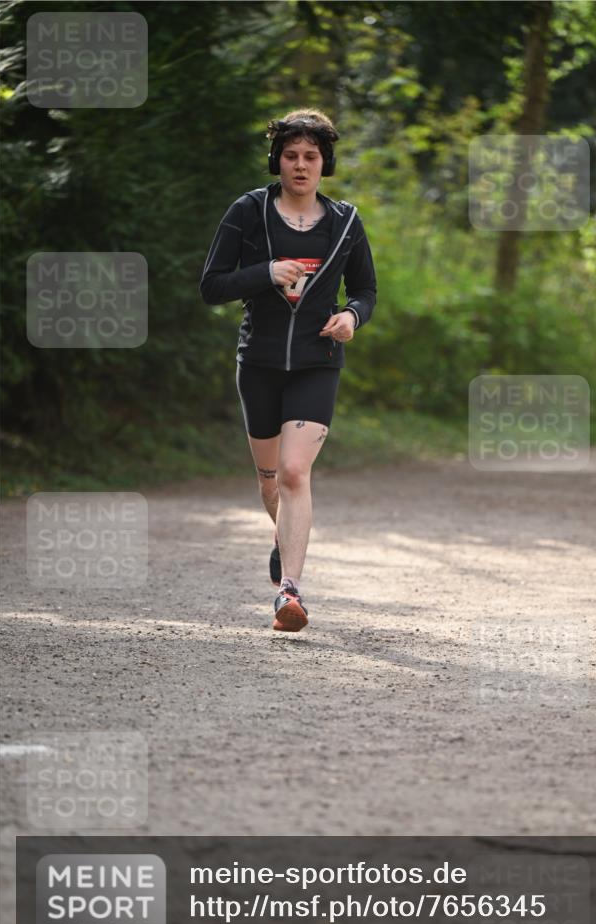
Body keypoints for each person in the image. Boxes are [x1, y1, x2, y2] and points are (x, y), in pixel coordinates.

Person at [200, 108, 377, 632]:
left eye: (311, 157)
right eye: (291, 156)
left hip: (317, 362)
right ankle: (283, 538)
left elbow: (365, 291)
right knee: (271, 481)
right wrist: (265, 273)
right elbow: (211, 286)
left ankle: (289, 593)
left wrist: (351, 316)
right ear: (277, 160)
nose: (300, 165)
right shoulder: (248, 212)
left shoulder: (346, 222)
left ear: (325, 164)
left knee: (297, 473)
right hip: (258, 362)